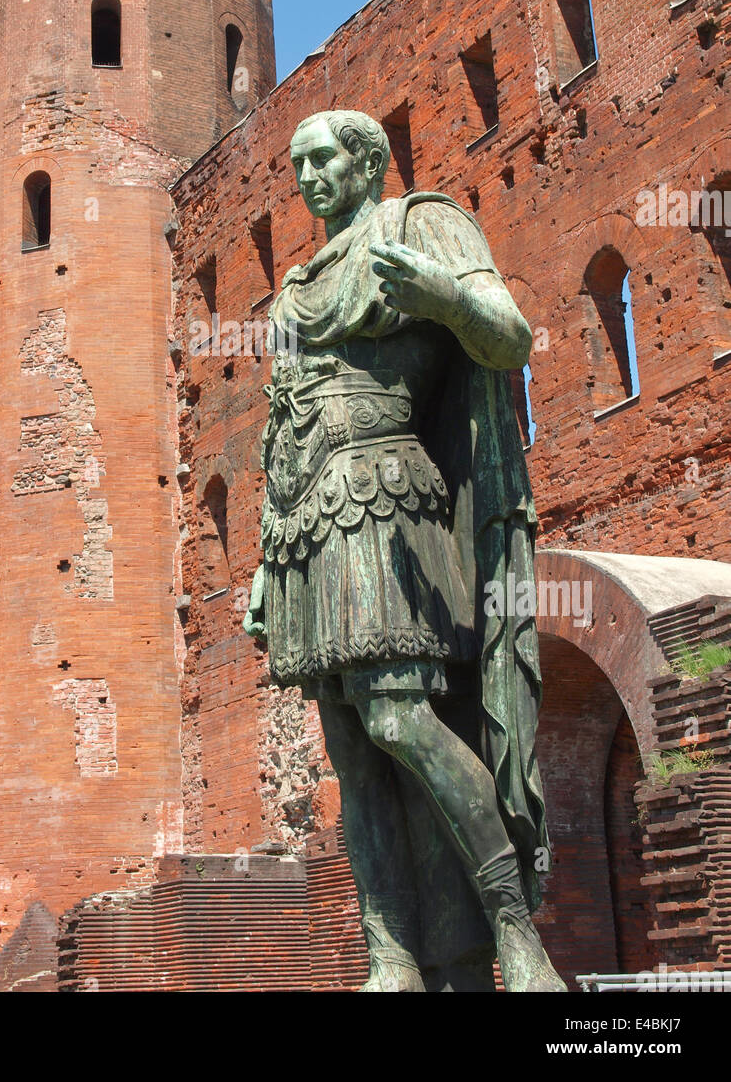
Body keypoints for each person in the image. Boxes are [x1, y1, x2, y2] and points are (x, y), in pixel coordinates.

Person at [244, 109, 565, 992]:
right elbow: (281, 425)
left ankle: (511, 925)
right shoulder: (299, 282)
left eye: (323, 160)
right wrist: (264, 569)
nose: (307, 178)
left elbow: (509, 336)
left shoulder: (421, 222)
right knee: (350, 746)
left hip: (385, 494)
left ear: (367, 161)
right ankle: (389, 954)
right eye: (297, 165)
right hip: (303, 519)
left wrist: (446, 300)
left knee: (398, 717)